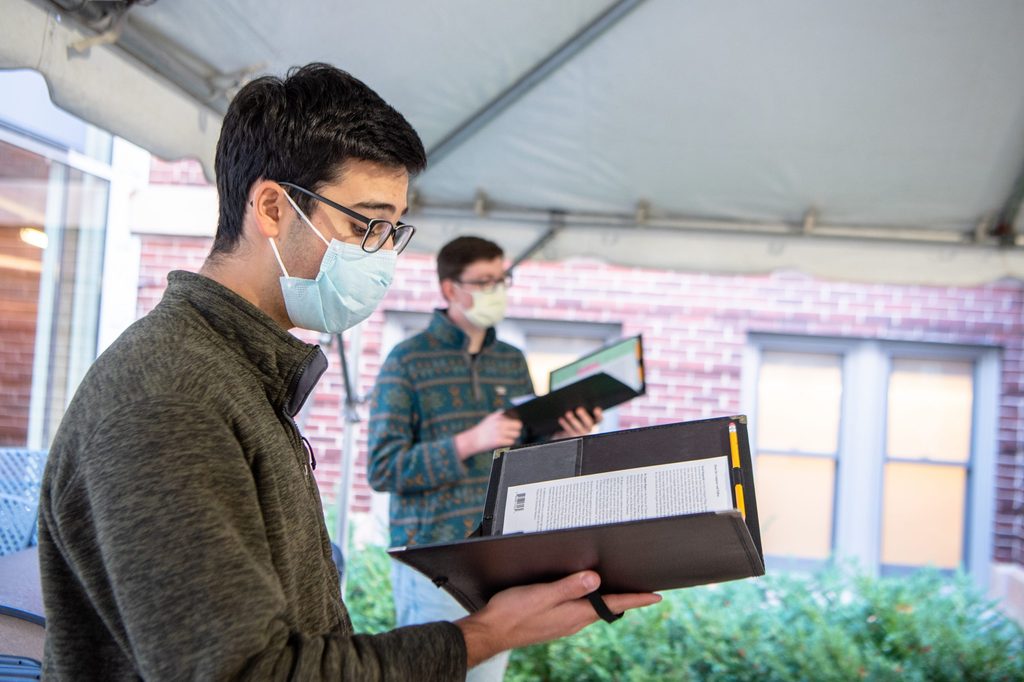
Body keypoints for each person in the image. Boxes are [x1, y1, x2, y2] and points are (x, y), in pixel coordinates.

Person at [36, 64, 659, 680]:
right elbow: (250, 671)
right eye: (365, 225)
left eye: (394, 230)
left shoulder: (236, 373)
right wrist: (486, 633)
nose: (384, 255)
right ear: (273, 207)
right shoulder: (168, 399)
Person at [367, 235, 603, 681]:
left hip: (502, 556)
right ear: (450, 289)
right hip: (434, 559)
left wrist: (559, 435)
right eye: (484, 281)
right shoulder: (407, 361)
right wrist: (468, 442)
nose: (497, 290)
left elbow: (525, 459)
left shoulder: (511, 361)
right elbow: (383, 468)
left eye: (502, 279)